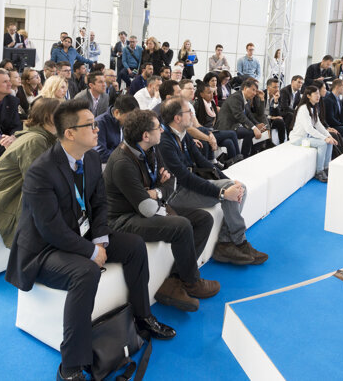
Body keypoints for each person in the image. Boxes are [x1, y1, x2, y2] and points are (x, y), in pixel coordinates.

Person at [6, 102, 175, 381]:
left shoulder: (93, 158)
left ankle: (142, 318)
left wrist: (100, 239)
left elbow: (99, 202)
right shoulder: (41, 171)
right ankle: (71, 365)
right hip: (44, 249)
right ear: (70, 133)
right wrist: (90, 251)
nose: (98, 129)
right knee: (85, 271)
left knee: (133, 245)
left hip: (81, 234)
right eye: (90, 125)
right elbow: (50, 229)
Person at [104, 109, 220, 312]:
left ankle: (176, 280)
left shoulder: (151, 149)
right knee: (182, 225)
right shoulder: (122, 162)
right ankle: (192, 281)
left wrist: (155, 191)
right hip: (123, 219)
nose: (162, 131)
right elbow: (147, 209)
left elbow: (171, 183)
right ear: (146, 135)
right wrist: (160, 190)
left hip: (146, 207)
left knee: (203, 219)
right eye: (158, 128)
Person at [159, 97, 266, 264]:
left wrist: (229, 181)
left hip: (187, 186)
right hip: (175, 195)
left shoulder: (182, 134)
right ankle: (238, 241)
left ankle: (226, 242)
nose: (192, 114)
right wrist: (222, 192)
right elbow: (185, 179)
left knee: (239, 187)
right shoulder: (165, 142)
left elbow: (203, 163)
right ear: (177, 118)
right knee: (231, 190)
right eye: (189, 112)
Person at [0, 97, 60, 247]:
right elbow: (36, 183)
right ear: (48, 117)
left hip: (8, 189)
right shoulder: (35, 140)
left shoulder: (45, 137)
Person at [289, 85, 336, 182]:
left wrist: (329, 136)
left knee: (329, 141)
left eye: (318, 93)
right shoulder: (303, 109)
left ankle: (326, 167)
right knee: (323, 143)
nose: (318, 96)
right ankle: (319, 171)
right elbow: (309, 129)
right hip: (298, 139)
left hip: (306, 137)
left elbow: (318, 125)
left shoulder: (313, 108)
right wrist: (324, 138)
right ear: (308, 96)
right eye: (315, 94)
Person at [214, 78, 264, 158]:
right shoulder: (236, 97)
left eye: (256, 91)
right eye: (253, 90)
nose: (255, 93)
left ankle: (250, 154)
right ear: (245, 88)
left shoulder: (245, 99)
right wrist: (254, 128)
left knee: (255, 131)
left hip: (235, 126)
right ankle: (244, 156)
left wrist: (257, 125)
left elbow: (249, 115)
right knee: (251, 132)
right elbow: (239, 115)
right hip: (226, 127)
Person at [193, 82, 240, 161]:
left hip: (213, 131)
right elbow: (197, 126)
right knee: (232, 133)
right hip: (204, 133)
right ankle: (239, 159)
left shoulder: (211, 104)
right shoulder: (197, 105)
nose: (212, 95)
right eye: (208, 93)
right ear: (201, 94)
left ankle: (232, 163)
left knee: (228, 142)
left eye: (212, 92)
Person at [94, 94, 140, 164]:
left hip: (121, 160)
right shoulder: (100, 123)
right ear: (116, 113)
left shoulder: (127, 122)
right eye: (130, 117)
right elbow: (100, 154)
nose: (132, 120)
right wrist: (125, 156)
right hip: (105, 164)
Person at [264, 78, 287, 144]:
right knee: (267, 120)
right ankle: (269, 143)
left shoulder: (278, 95)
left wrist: (276, 101)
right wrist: (272, 117)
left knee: (280, 121)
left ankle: (282, 142)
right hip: (263, 118)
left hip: (272, 118)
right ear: (268, 88)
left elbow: (278, 114)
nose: (277, 89)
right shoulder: (262, 95)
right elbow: (260, 113)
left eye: (278, 87)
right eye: (274, 87)